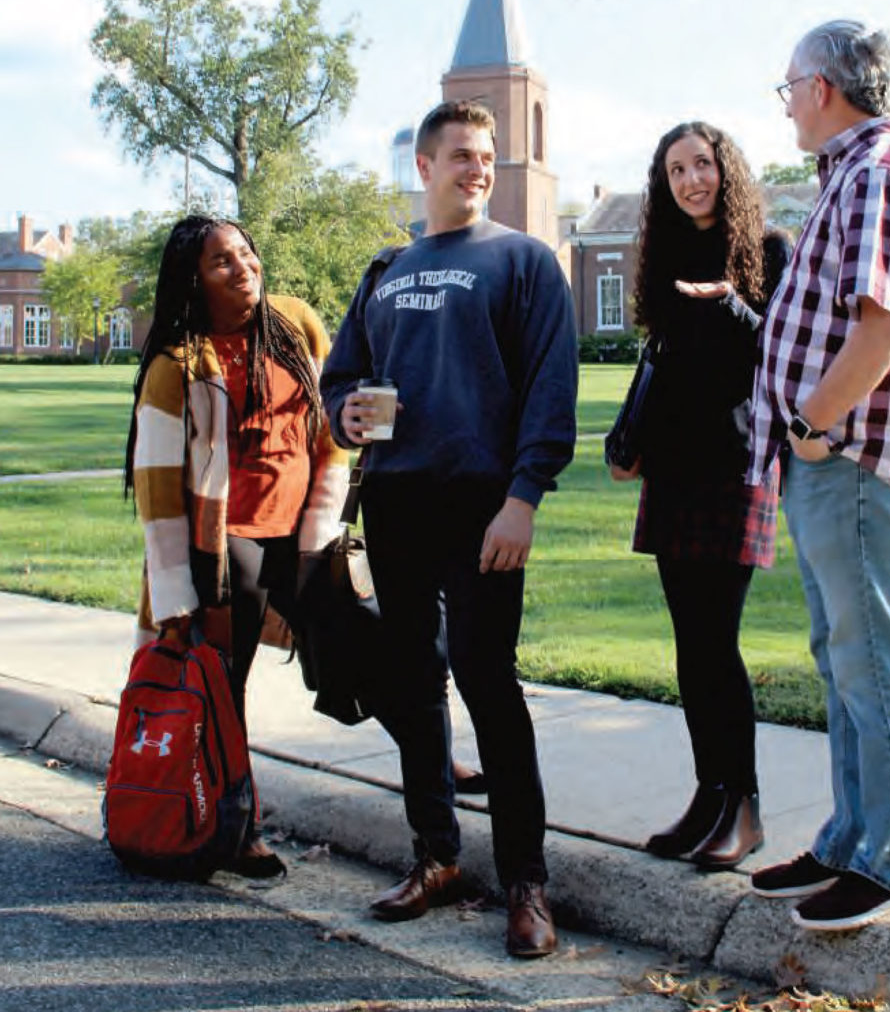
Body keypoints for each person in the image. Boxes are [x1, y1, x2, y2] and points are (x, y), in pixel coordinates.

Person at [320, 99, 578, 959]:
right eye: (462, 155)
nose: (478, 167)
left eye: (487, 155)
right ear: (424, 167)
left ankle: (526, 883)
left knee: (486, 682)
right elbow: (342, 378)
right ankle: (435, 858)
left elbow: (549, 387)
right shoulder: (386, 268)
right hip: (396, 501)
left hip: (481, 505)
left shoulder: (524, 261)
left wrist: (524, 497)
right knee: (410, 682)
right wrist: (344, 413)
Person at [746, 21, 890, 932]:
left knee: (872, 665)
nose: (786, 100)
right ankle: (852, 839)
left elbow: (880, 329)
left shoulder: (876, 174)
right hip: (835, 464)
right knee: (844, 663)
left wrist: (810, 426)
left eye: (787, 85)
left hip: (857, 463)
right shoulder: (855, 174)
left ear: (823, 87)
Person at [126, 214, 349, 878]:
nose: (243, 268)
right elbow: (158, 487)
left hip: (307, 533)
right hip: (227, 545)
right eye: (221, 262)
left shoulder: (296, 324)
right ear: (192, 280)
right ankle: (233, 826)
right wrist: (172, 596)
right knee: (222, 692)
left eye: (246, 254)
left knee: (372, 650)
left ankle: (437, 788)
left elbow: (332, 422)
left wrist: (327, 513)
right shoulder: (178, 362)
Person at [610, 122, 789, 870]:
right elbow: (662, 358)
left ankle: (743, 808)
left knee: (717, 642)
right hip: (675, 465)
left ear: (727, 169)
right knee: (688, 646)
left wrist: (730, 307)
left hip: (736, 464)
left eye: (702, 164)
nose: (691, 180)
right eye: (676, 169)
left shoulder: (770, 251)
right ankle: (706, 795)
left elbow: (780, 352)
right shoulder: (666, 257)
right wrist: (629, 435)